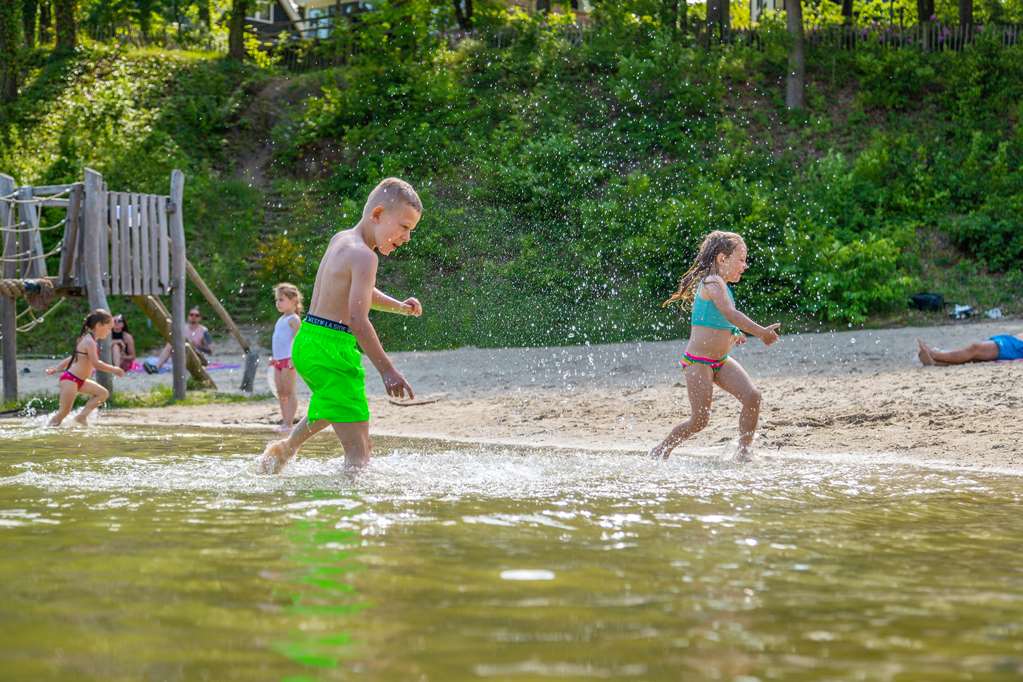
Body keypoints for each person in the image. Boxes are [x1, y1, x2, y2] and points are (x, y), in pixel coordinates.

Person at [258, 177, 423, 472]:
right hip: (332, 347)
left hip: (310, 340)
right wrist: (387, 370)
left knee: (334, 403)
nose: (407, 237)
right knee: (360, 453)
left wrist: (399, 306)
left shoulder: (342, 239)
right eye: (404, 227)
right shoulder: (365, 256)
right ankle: (348, 513)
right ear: (377, 214)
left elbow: (363, 292)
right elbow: (358, 320)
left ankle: (283, 450)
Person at [650, 231, 780, 461]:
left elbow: (717, 319)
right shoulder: (712, 282)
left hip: (720, 361)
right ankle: (661, 450)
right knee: (700, 420)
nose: (745, 265)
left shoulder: (722, 285)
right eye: (741, 259)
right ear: (722, 258)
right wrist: (761, 332)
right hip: (698, 363)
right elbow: (730, 313)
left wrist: (734, 332)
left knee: (753, 397)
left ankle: (743, 452)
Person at [45, 309, 126, 426]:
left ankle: (81, 417)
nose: (109, 332)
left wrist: (57, 367)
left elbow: (73, 357)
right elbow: (96, 363)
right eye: (108, 328)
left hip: (80, 381)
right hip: (70, 380)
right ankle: (48, 431)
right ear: (99, 325)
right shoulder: (89, 341)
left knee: (103, 394)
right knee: (63, 412)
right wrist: (114, 369)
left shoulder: (89, 340)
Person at [271, 282, 304, 433]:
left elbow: (298, 340)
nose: (278, 303)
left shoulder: (294, 319)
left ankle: (289, 423)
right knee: (280, 392)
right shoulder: (281, 319)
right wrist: (273, 357)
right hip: (277, 360)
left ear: (294, 300)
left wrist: (294, 357)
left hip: (288, 360)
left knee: (289, 391)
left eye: (281, 299)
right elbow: (278, 340)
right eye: (277, 300)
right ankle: (284, 421)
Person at [146, 306, 212, 373]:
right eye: (191, 315)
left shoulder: (204, 331)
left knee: (185, 347)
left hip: (196, 355)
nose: (193, 317)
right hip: (182, 353)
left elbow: (210, 350)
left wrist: (196, 345)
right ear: (188, 316)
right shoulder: (182, 328)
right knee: (170, 344)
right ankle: (157, 367)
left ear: (200, 318)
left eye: (196, 315)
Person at [917, 332, 1023, 366]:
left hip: (1015, 346)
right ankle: (936, 361)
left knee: (975, 349)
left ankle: (934, 354)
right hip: (1013, 342)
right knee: (975, 356)